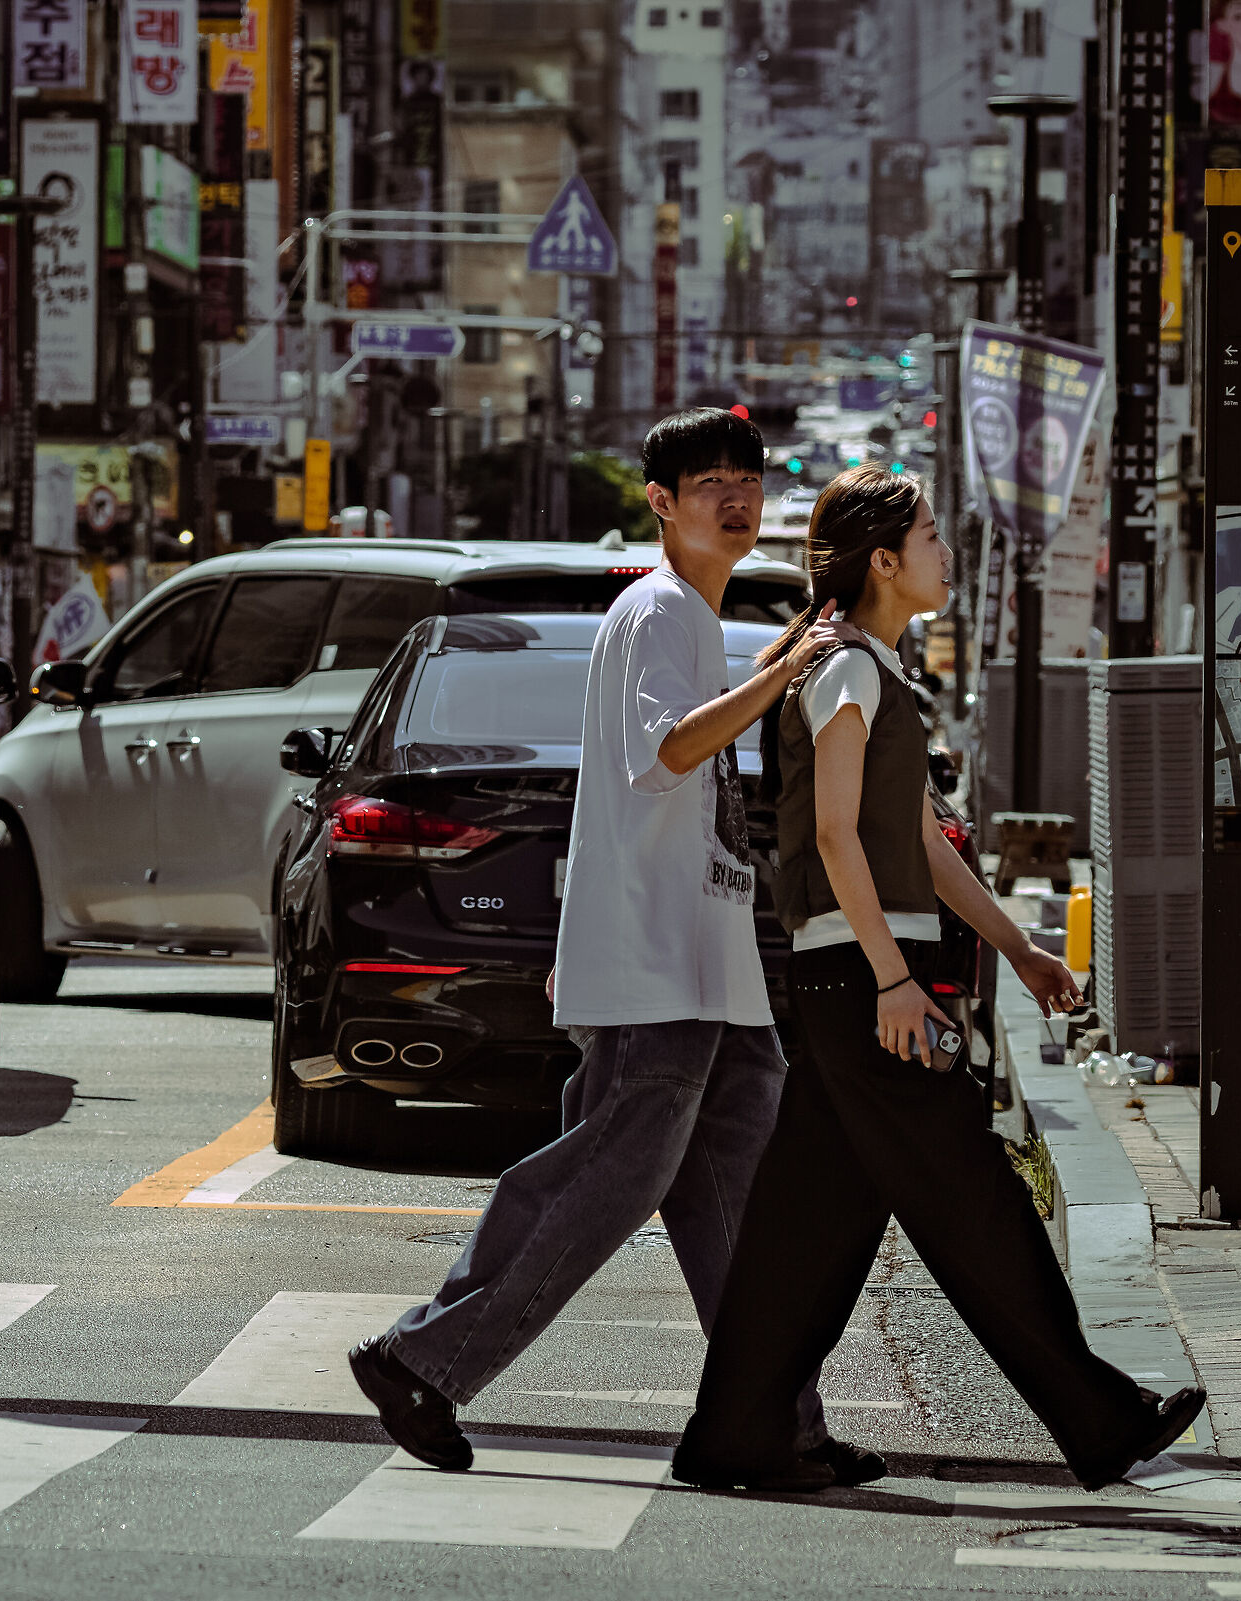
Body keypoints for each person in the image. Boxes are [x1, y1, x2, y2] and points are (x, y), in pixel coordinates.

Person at [347, 408, 878, 1491]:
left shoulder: (694, 616)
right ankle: (422, 1357)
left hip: (712, 967)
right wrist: (780, 674)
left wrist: (776, 654)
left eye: (747, 480)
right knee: (603, 1178)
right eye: (710, 482)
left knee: (742, 1204)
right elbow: (666, 752)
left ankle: (768, 1420)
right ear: (662, 501)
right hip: (656, 966)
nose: (736, 498)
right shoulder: (655, 610)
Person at [673, 466, 1204, 1492]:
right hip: (865, 976)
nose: (944, 553)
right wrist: (891, 979)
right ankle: (1098, 1418)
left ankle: (732, 1432)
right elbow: (831, 832)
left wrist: (1019, 945)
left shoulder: (869, 665)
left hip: (860, 973)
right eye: (928, 536)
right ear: (884, 560)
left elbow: (917, 836)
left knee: (807, 1226)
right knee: (975, 1202)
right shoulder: (846, 670)